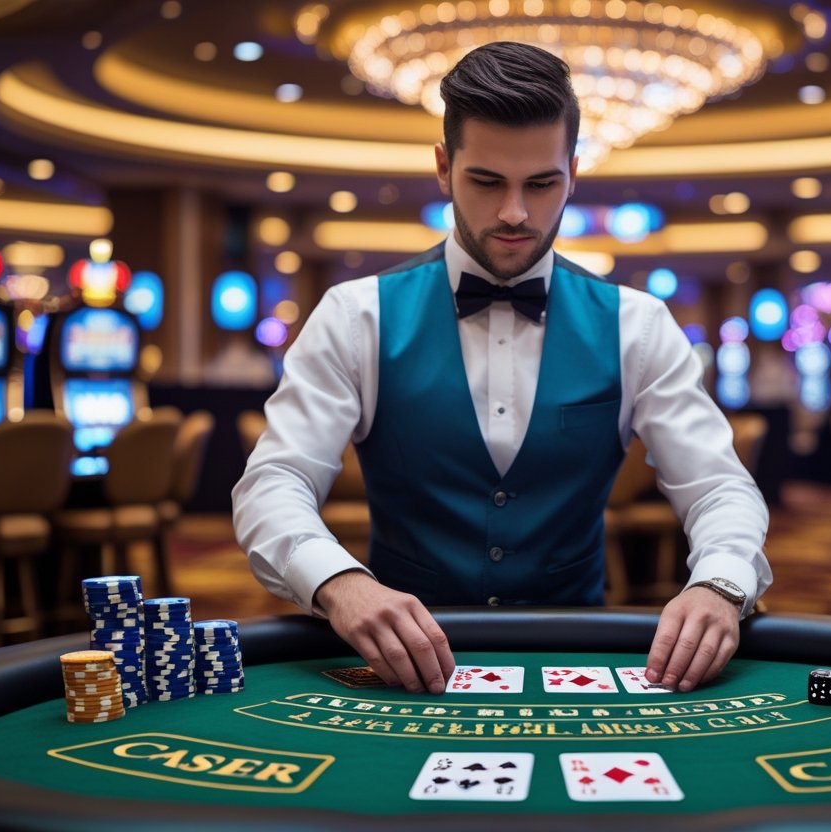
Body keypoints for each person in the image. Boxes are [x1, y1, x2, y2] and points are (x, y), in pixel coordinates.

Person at [232, 41, 771, 697]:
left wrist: (719, 583)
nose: (514, 213)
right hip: (405, 667)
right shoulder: (355, 316)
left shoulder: (638, 324)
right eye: (486, 182)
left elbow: (719, 488)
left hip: (579, 659)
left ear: (573, 172)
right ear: (442, 168)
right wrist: (340, 585)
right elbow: (273, 485)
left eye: (541, 184)